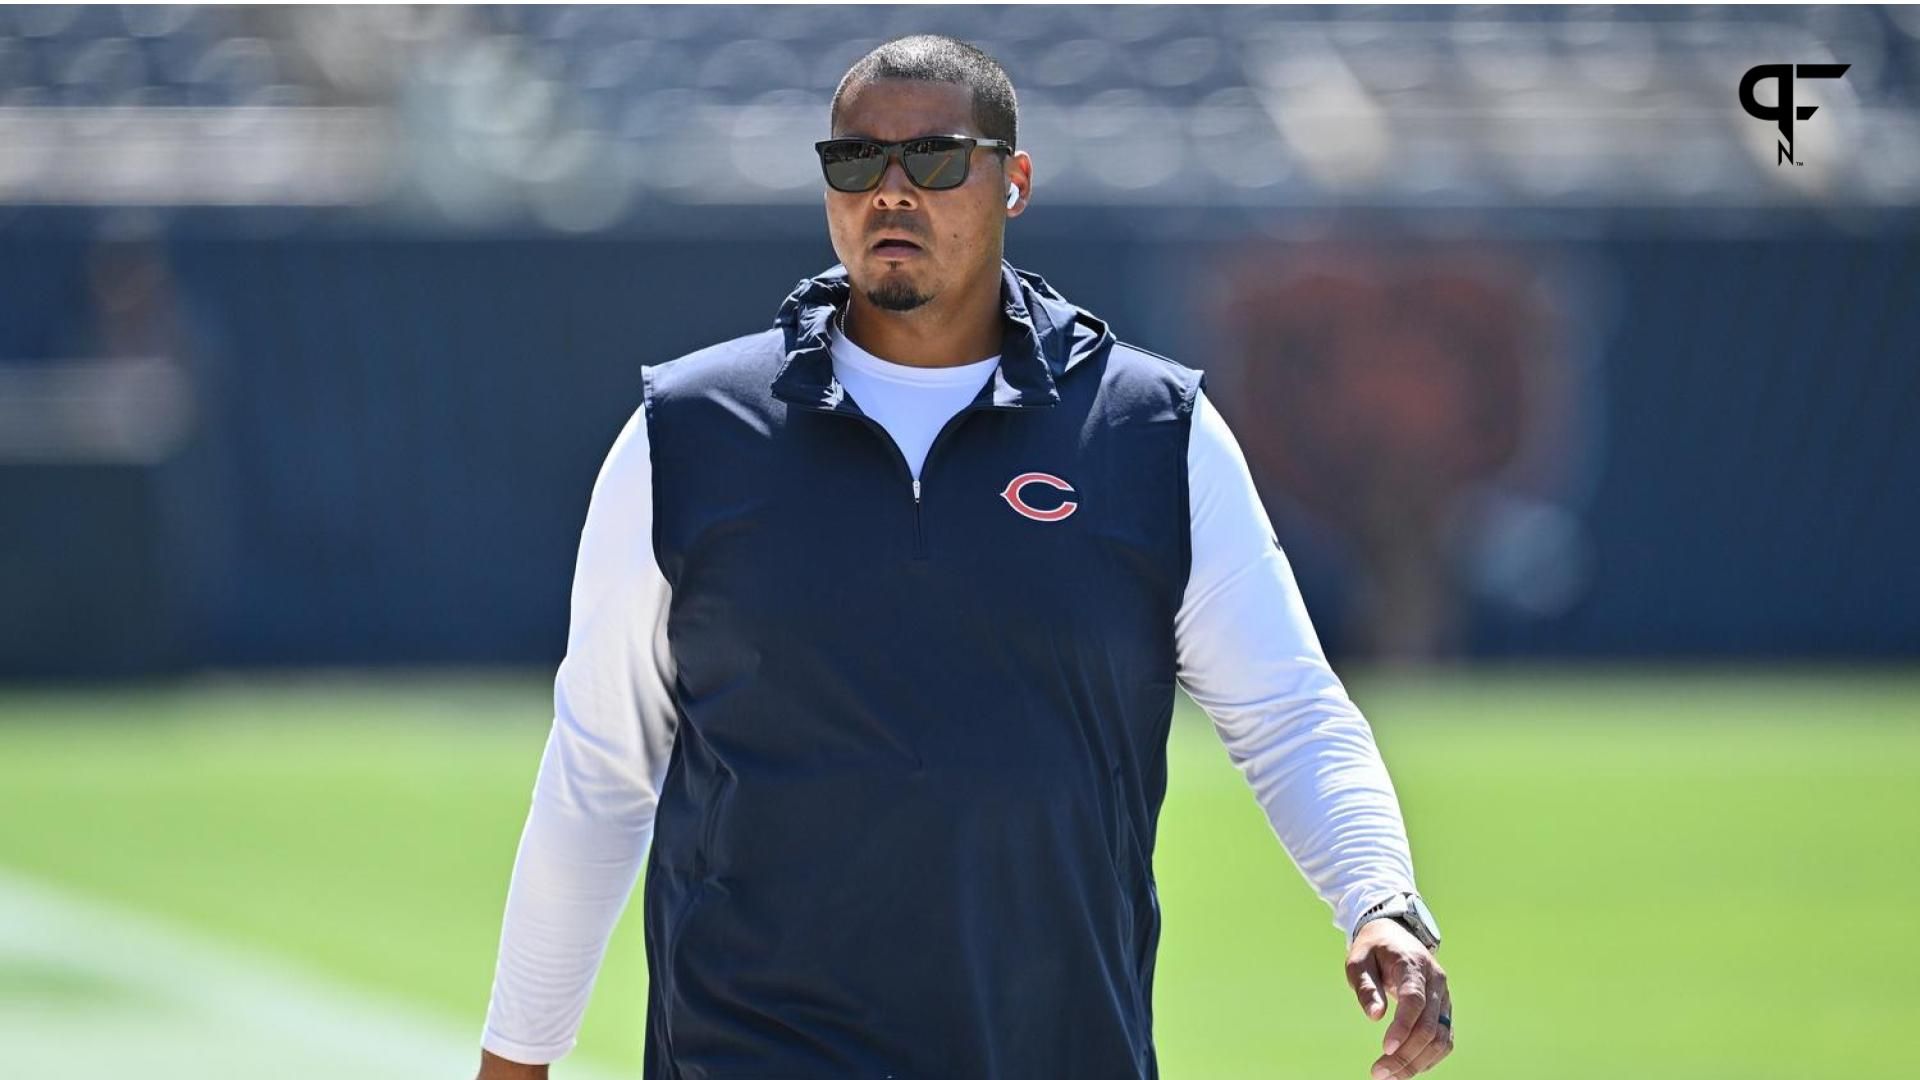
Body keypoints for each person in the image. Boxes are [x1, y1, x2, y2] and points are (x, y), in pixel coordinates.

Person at [477, 34, 1453, 1080]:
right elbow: (599, 773)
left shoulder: (1149, 430)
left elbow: (1288, 711)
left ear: (1013, 181)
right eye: (857, 162)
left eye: (934, 158)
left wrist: (1379, 897)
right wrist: (516, 1063)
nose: (891, 192)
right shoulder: (688, 433)